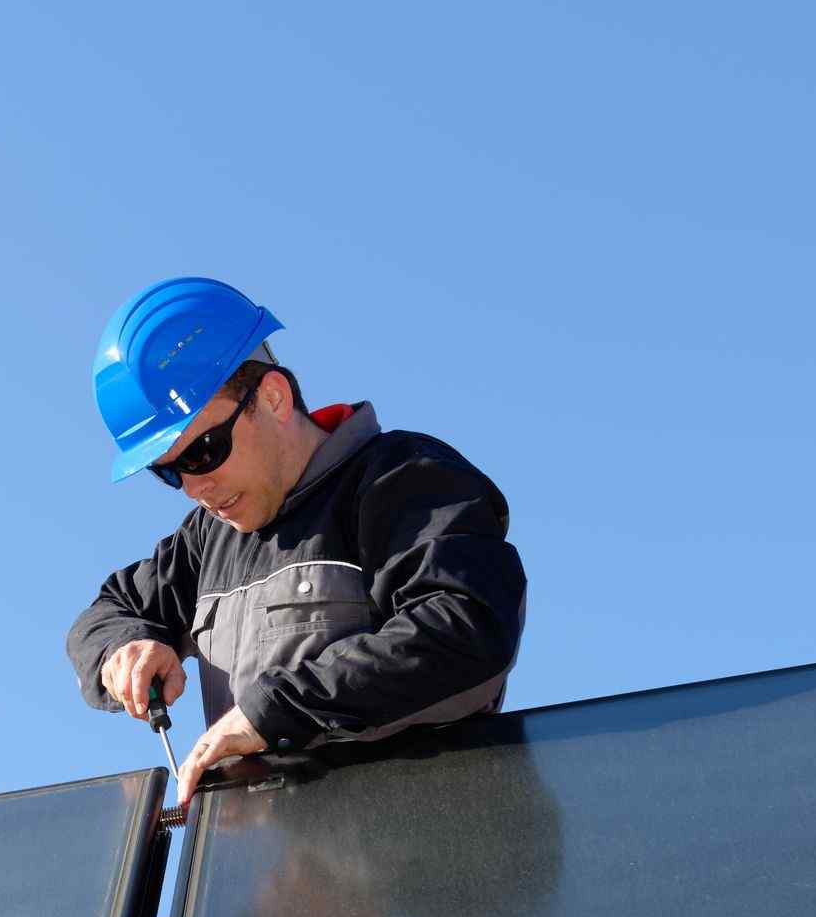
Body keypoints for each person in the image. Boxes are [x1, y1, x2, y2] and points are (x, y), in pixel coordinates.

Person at [67, 276, 528, 802]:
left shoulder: (401, 479)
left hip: (422, 837)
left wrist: (276, 711)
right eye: (168, 471)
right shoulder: (207, 541)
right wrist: (125, 648)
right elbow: (109, 611)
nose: (194, 488)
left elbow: (466, 626)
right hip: (265, 851)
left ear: (273, 398)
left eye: (202, 452)